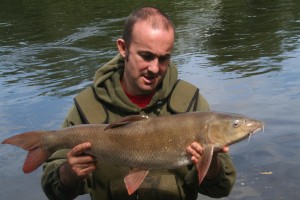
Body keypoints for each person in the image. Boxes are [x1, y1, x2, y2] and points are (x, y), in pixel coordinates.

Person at [41, 6, 236, 200]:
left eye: (163, 58)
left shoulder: (191, 102)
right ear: (123, 48)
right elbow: (53, 191)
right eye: (146, 56)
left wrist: (212, 168)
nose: (154, 68)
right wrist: (68, 174)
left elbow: (221, 189)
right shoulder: (87, 106)